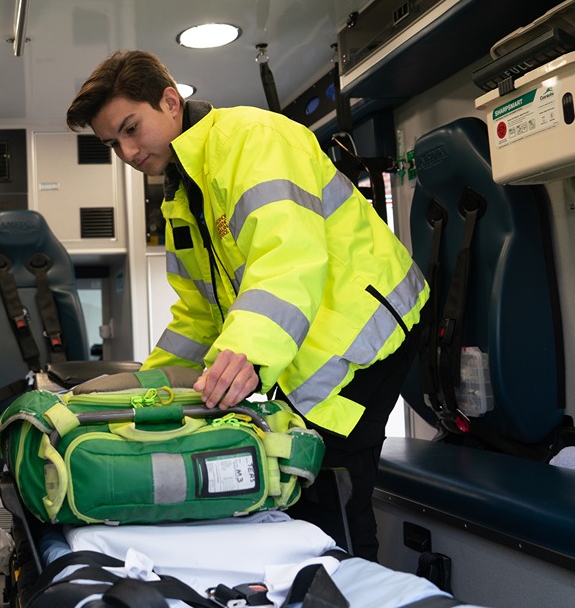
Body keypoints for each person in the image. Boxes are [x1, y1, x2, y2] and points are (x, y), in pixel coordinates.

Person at [66, 50, 428, 561]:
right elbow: (199, 315)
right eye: (112, 144)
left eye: (131, 129)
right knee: (297, 482)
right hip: (308, 335)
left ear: (169, 101)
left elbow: (287, 256)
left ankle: (348, 584)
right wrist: (147, 393)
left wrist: (245, 354)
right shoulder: (182, 194)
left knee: (329, 483)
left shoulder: (252, 141)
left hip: (365, 331)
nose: (126, 152)